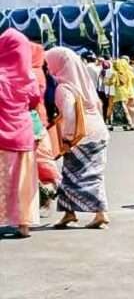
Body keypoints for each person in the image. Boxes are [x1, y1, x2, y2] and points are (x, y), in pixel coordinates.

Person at [45, 47, 110, 229]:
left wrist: (66, 139)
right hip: (98, 131)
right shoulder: (84, 83)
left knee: (80, 175)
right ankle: (69, 213)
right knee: (78, 174)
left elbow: (70, 115)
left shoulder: (64, 87)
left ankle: (101, 213)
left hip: (81, 136)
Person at [0, 29, 41, 238]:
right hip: (23, 134)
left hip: (1, 136)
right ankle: (24, 224)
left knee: (3, 180)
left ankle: (4, 218)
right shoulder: (29, 77)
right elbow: (35, 101)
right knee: (24, 182)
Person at [30, 43, 61, 206]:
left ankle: (42, 193)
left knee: (35, 160)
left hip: (35, 119)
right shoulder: (43, 74)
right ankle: (46, 190)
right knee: (45, 157)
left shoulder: (29, 73)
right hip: (43, 119)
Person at [108, 58, 134, 131]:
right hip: (127, 92)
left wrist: (106, 80)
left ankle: (129, 124)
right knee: (124, 109)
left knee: (120, 109)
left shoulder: (115, 73)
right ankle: (125, 124)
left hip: (119, 93)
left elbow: (111, 82)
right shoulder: (129, 72)